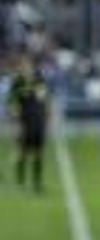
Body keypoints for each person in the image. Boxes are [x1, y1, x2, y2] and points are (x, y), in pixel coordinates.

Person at [7, 54, 49, 194]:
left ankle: (37, 183)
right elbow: (12, 102)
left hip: (38, 121)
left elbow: (44, 99)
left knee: (39, 153)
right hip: (24, 121)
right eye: (24, 65)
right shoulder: (17, 82)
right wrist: (16, 120)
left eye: (29, 65)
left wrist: (46, 116)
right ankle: (20, 182)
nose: (27, 68)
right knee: (22, 153)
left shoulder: (39, 79)